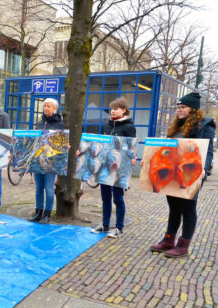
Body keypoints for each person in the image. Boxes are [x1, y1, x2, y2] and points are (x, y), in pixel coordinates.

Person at [149, 92, 215, 258]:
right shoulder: (176, 126)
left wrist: (204, 169)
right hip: (172, 173)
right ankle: (168, 240)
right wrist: (150, 161)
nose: (179, 110)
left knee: (188, 208)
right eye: (178, 107)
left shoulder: (204, 126)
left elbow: (207, 151)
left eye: (183, 107)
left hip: (190, 173)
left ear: (193, 109)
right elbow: (166, 148)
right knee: (174, 208)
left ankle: (183, 244)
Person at [89, 98, 136, 237]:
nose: (113, 111)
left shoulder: (129, 128)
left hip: (119, 168)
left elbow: (131, 148)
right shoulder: (106, 126)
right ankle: (104, 225)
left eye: (116, 108)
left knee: (118, 198)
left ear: (124, 110)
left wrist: (131, 157)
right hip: (105, 167)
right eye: (112, 108)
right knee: (105, 198)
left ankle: (119, 228)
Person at [28, 98, 67, 224]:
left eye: (48, 106)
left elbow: (62, 144)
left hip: (51, 162)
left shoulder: (60, 125)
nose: (46, 108)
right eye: (44, 106)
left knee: (49, 188)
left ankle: (47, 214)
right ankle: (38, 212)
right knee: (39, 188)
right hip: (38, 161)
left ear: (54, 109)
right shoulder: (40, 124)